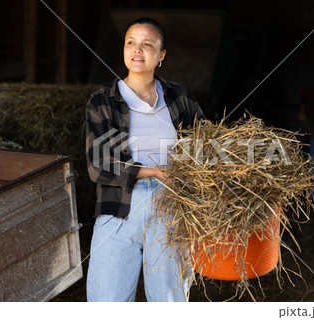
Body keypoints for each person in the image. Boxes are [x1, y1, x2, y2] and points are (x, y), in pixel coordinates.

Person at [85, 17, 205, 302]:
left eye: (147, 44)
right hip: (119, 206)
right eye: (131, 42)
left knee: (170, 300)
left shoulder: (179, 98)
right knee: (106, 300)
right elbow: (98, 165)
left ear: (161, 55)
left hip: (172, 205)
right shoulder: (103, 101)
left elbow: (204, 146)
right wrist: (156, 171)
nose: (137, 50)